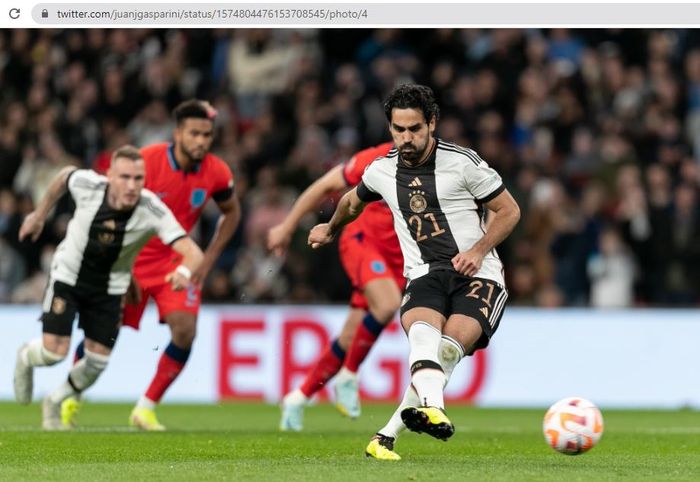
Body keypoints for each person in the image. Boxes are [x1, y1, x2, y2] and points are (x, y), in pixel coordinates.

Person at [308, 84, 520, 460]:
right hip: (424, 273)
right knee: (424, 342)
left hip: (480, 274)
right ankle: (427, 412)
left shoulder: (463, 162)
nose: (406, 138)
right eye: (398, 129)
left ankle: (387, 434)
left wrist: (477, 249)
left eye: (415, 129)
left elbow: (509, 211)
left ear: (432, 123)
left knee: (447, 352)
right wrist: (330, 227)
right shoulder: (382, 170)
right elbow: (351, 202)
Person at [63, 100, 241, 431]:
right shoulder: (146, 161)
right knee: (103, 333)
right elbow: (107, 205)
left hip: (175, 260)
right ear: (178, 133)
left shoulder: (217, 171)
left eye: (207, 135)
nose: (202, 141)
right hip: (129, 257)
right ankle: (72, 395)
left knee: (185, 331)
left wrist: (209, 258)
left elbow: (232, 212)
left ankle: (145, 409)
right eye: (194, 133)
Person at [13, 145, 204, 430]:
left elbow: (194, 252)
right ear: (109, 175)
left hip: (110, 288)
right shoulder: (89, 185)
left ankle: (55, 400)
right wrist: (38, 215)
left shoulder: (152, 209)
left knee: (97, 362)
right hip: (68, 276)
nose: (131, 186)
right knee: (55, 353)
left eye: (138, 179)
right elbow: (64, 176)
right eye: (124, 177)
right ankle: (26, 358)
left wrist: (184, 270)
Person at [268, 142, 404, 431]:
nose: (408, 136)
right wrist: (288, 226)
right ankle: (349, 375)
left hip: (399, 256)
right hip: (362, 241)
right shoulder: (375, 158)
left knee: (350, 338)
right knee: (388, 304)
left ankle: (298, 397)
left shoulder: (441, 165)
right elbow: (324, 185)